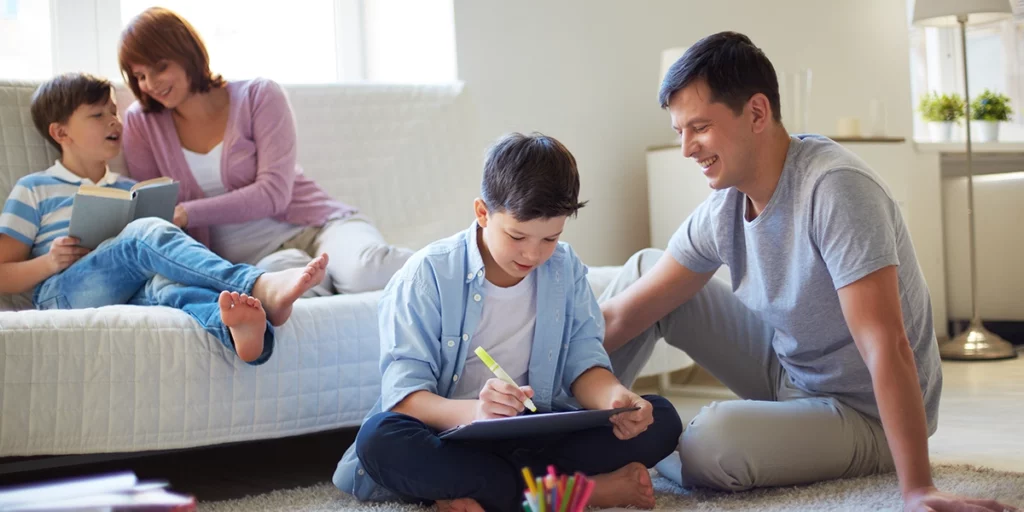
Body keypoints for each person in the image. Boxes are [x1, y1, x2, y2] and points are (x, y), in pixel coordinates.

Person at [599, 31, 1017, 512]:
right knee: (646, 271)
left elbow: (886, 343)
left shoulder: (836, 189)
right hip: (790, 373)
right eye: (680, 132)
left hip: (867, 414)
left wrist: (918, 489)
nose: (687, 148)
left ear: (757, 113)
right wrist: (526, 396)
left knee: (711, 443)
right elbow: (619, 317)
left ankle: (640, 458)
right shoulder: (723, 208)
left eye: (699, 127)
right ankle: (568, 439)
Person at [333, 133, 682, 512]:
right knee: (379, 439)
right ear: (483, 213)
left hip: (534, 435)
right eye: (517, 236)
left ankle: (486, 492)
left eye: (550, 238)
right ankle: (575, 493)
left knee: (660, 418)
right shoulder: (426, 275)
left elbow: (584, 365)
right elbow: (406, 398)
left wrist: (615, 399)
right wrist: (478, 413)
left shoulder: (565, 269)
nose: (533, 254)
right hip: (450, 437)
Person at [0, 72, 327, 365]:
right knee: (143, 234)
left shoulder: (132, 189)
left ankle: (238, 329)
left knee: (167, 287)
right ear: (60, 132)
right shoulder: (35, 189)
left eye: (114, 111)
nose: (114, 121)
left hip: (131, 290)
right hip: (62, 293)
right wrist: (49, 263)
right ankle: (256, 284)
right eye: (97, 114)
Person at [117, 7, 412, 296]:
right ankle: (328, 283)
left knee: (367, 272)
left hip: (320, 227)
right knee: (289, 296)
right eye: (140, 76)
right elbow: (152, 212)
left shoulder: (258, 96)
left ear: (186, 53)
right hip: (258, 262)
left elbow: (274, 193)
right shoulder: (141, 122)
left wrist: (186, 213)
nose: (151, 84)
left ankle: (453, 264)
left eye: (160, 67)